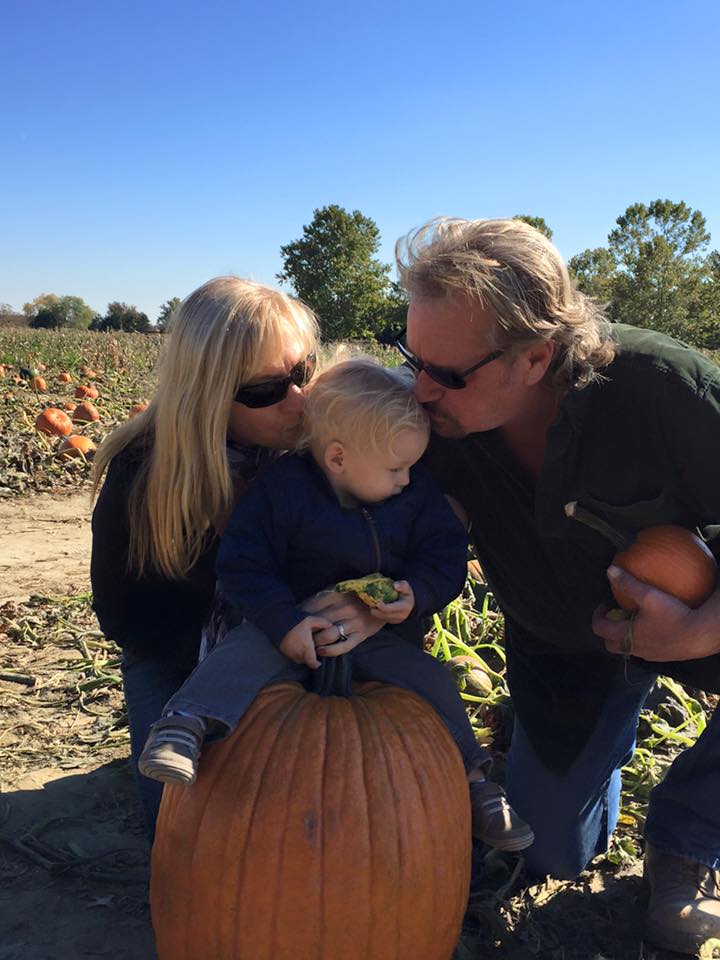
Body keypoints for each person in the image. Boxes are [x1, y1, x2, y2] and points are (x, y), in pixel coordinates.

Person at [395, 215, 720, 955]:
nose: (421, 389)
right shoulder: (430, 419)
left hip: (694, 613)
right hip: (561, 643)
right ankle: (556, 747)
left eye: (447, 374)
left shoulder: (661, 388)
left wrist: (698, 631)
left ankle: (690, 838)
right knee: (548, 852)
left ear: (535, 358)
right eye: (412, 357)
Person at [137, 357, 534, 852]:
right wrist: (283, 622)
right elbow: (242, 564)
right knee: (238, 654)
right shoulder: (282, 491)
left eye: (411, 467)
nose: (407, 479)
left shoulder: (416, 495)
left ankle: (475, 783)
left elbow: (444, 552)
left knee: (429, 679)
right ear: (339, 459)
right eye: (396, 468)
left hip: (374, 637)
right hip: (289, 627)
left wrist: (417, 592)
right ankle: (185, 723)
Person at [90, 277, 379, 843]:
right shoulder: (144, 475)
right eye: (266, 390)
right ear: (206, 394)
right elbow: (128, 618)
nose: (298, 399)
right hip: (176, 656)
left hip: (294, 640)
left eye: (303, 372)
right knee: (189, 833)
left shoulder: (318, 445)